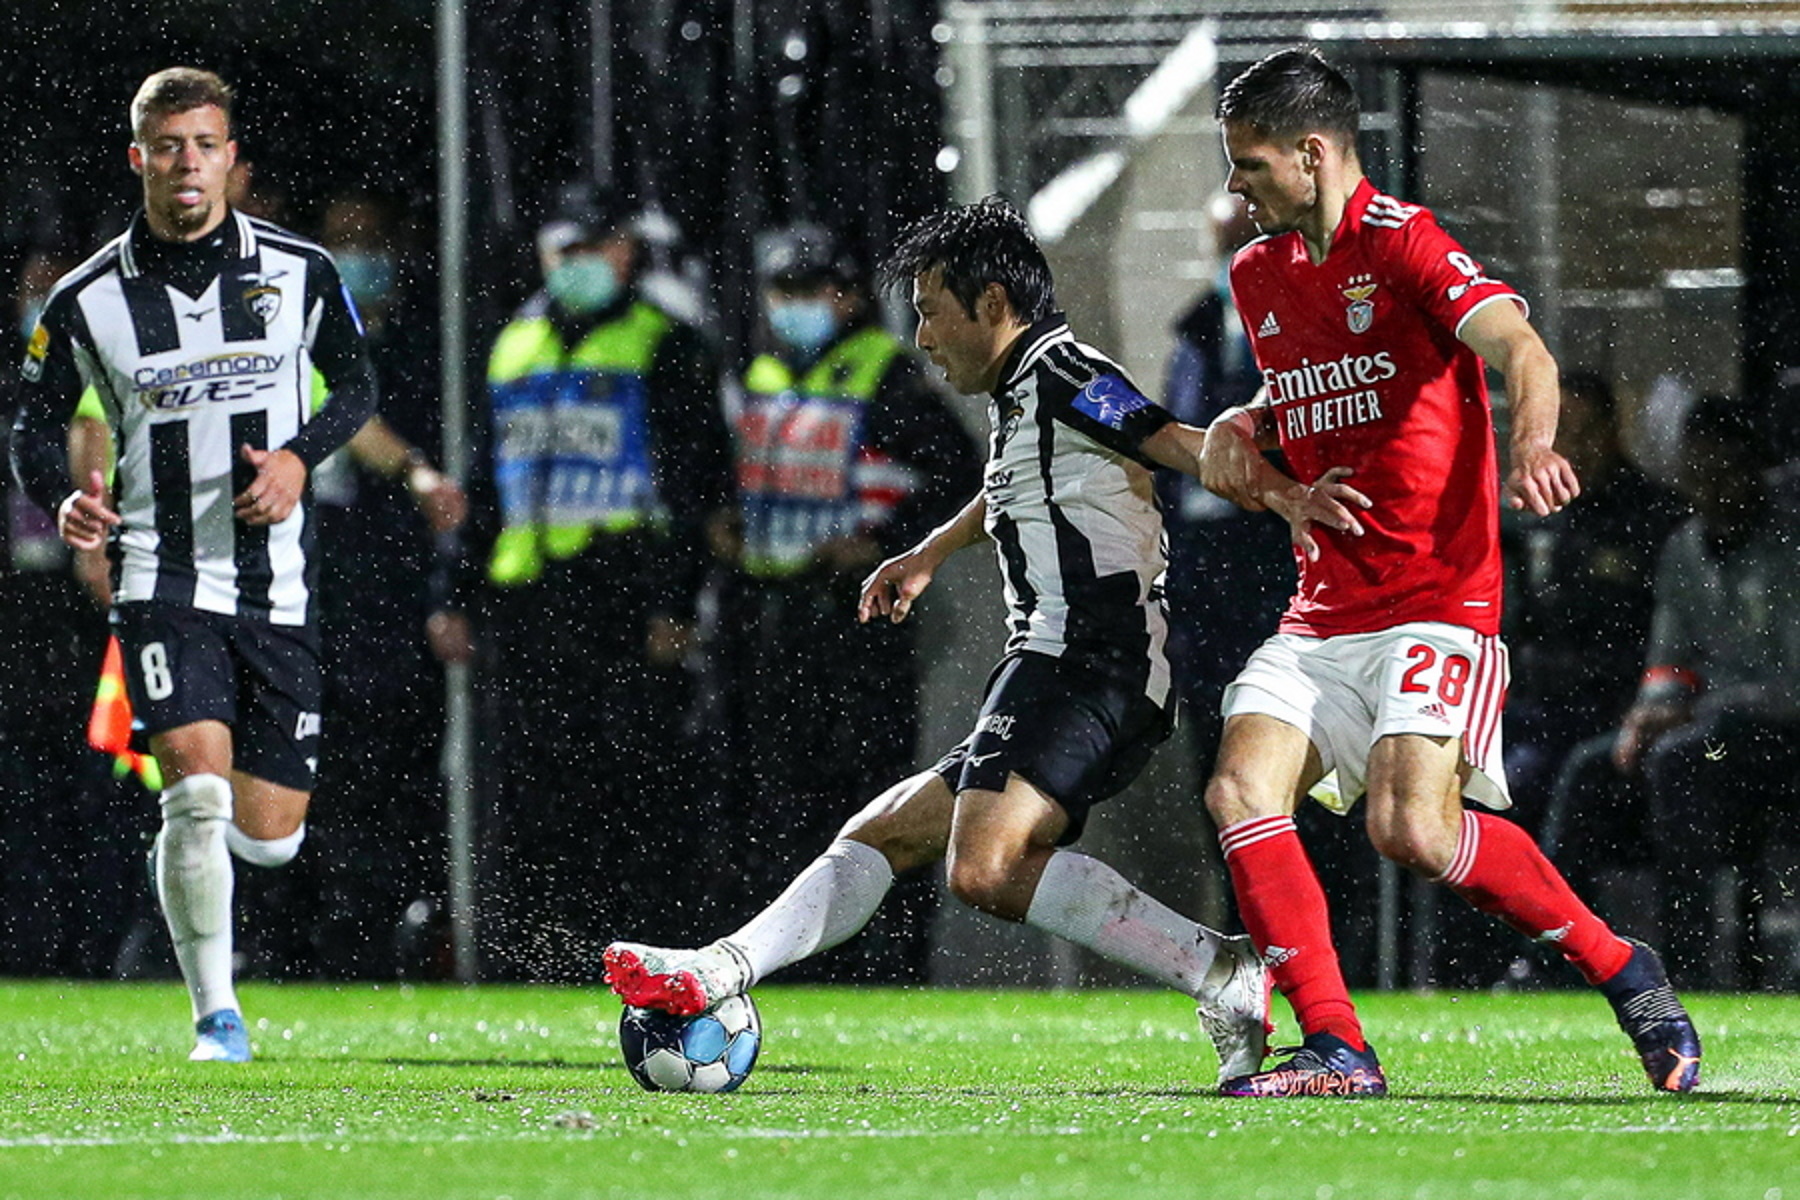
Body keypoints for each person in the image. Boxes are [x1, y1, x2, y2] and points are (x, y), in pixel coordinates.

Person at [603, 196, 1340, 1088]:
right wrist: (929, 551)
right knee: (882, 836)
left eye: (928, 309)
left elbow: (1170, 443)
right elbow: (1016, 487)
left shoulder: (1066, 372)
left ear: (992, 303)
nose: (919, 333)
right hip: (1059, 668)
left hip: (1089, 665)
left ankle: (1220, 969)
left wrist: (1292, 501)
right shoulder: (1025, 391)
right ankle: (719, 967)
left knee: (984, 867)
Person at [1195, 47, 1700, 1096]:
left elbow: (1524, 350)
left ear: (1313, 152)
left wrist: (1531, 443)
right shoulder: (1258, 275)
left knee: (1410, 828)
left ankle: (1622, 966)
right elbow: (1305, 409)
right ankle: (1337, 1047)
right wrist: (1248, 428)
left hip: (1436, 598)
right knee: (1239, 788)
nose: (1235, 187)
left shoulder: (1404, 242)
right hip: (1323, 605)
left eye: (1248, 165)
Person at [9, 68, 378, 1059]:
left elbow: (357, 383)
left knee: (267, 835)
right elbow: (34, 428)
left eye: (203, 144)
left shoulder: (298, 271)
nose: (185, 163)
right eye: (167, 145)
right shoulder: (87, 298)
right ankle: (217, 1013)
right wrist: (64, 497)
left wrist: (301, 456)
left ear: (230, 159)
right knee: (197, 794)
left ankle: (192, 869)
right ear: (140, 157)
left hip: (276, 586)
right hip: (159, 577)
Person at [466, 188, 735, 976]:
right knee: (529, 791)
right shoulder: (514, 340)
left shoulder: (666, 343)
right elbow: (486, 478)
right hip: (529, 599)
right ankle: (541, 956)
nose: (577, 265)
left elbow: (698, 487)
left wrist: (678, 603)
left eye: (594, 248)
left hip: (624, 595)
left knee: (631, 783)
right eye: (564, 249)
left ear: (625, 251)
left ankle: (646, 951)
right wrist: (457, 592)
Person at [711, 223, 981, 981]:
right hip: (772, 614)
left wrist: (884, 543)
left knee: (871, 795)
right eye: (782, 292)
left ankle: (887, 965)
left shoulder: (888, 374)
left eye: (811, 291)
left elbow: (958, 475)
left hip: (855, 620)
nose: (794, 307)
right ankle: (792, 961)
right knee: (779, 798)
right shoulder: (758, 373)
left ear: (848, 296)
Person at [1553, 394, 1800, 988]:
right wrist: (1646, 713)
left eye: (1724, 470)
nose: (1711, 487)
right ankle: (1559, 954)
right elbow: (1668, 663)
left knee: (1677, 762)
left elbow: (1790, 686)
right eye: (1698, 472)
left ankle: (1684, 967)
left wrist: (1691, 710)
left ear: (1751, 467)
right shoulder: (1684, 547)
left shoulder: (1789, 546)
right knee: (1590, 769)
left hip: (1778, 736)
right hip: (1706, 731)